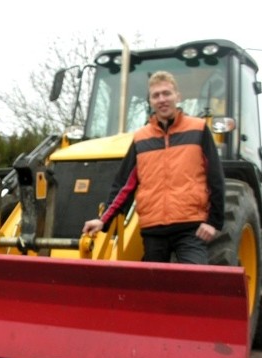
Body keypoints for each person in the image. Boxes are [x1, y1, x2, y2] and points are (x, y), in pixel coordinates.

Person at [82, 71, 225, 264]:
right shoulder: (141, 138)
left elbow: (215, 178)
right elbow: (124, 185)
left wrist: (213, 222)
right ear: (150, 101)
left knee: (196, 282)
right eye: (156, 95)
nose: (162, 99)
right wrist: (103, 220)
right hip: (153, 230)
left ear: (177, 96)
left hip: (191, 228)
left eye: (166, 93)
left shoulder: (198, 130)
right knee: (154, 289)